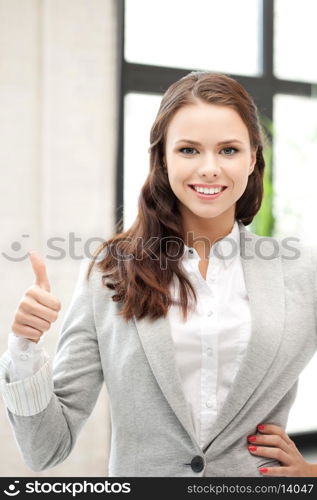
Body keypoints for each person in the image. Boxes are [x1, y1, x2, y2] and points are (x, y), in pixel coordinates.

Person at [1, 71, 317, 477]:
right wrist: (25, 349)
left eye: (228, 150)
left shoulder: (303, 272)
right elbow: (47, 449)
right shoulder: (109, 272)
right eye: (188, 150)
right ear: (162, 159)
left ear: (253, 158)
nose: (209, 168)